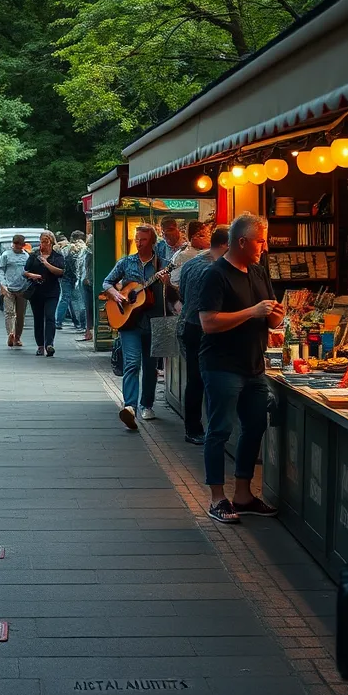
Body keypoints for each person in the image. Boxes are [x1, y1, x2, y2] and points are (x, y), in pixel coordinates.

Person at [198, 214, 284, 523]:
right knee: (219, 430)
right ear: (242, 242)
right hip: (222, 365)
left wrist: (275, 316)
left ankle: (244, 494)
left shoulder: (259, 272)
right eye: (261, 240)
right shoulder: (215, 275)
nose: (265, 245)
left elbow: (270, 316)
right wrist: (252, 312)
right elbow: (208, 323)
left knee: (256, 425)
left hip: (254, 365)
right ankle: (217, 498)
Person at [103, 223, 175, 428]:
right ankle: (130, 407)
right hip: (129, 323)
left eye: (143, 240)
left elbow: (174, 294)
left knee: (151, 367)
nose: (138, 243)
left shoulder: (164, 264)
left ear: (152, 241)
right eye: (136, 239)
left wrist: (168, 282)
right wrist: (117, 294)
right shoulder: (126, 262)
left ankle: (147, 405)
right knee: (132, 363)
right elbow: (107, 282)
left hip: (154, 322)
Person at [176, 226, 229, 444]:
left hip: (189, 325)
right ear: (226, 245)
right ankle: (204, 429)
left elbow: (181, 294)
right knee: (209, 380)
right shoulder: (217, 269)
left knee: (195, 380)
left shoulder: (191, 264)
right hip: (206, 328)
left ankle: (193, 428)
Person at [24, 230, 65, 356]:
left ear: (51, 243)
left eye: (46, 242)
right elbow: (25, 272)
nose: (43, 245)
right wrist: (33, 275)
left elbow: (61, 272)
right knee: (38, 318)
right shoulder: (34, 255)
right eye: (42, 242)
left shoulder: (57, 256)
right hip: (36, 291)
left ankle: (49, 344)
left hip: (52, 291)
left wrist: (46, 264)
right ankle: (40, 345)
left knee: (50, 316)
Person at [0, 233, 31, 348]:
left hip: (22, 288)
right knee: (9, 312)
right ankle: (10, 334)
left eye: (20, 245)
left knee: (20, 315)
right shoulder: (6, 255)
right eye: (16, 245)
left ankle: (18, 337)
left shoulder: (26, 256)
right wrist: (3, 284)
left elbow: (28, 270)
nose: (18, 247)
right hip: (9, 288)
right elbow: (0, 270)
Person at [55, 231, 85, 331]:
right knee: (70, 299)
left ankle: (73, 322)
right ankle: (61, 321)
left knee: (67, 298)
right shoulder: (78, 248)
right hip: (72, 277)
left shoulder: (65, 248)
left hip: (65, 277)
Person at [172, 220, 211, 289]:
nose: (209, 239)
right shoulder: (184, 255)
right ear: (195, 238)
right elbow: (175, 282)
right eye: (206, 235)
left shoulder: (210, 252)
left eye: (209, 234)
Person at [79, 233, 95, 342]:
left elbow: (82, 266)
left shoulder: (87, 251)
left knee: (88, 308)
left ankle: (88, 330)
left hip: (86, 280)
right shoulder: (90, 251)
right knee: (89, 307)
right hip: (88, 281)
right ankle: (89, 330)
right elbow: (86, 266)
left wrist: (82, 277)